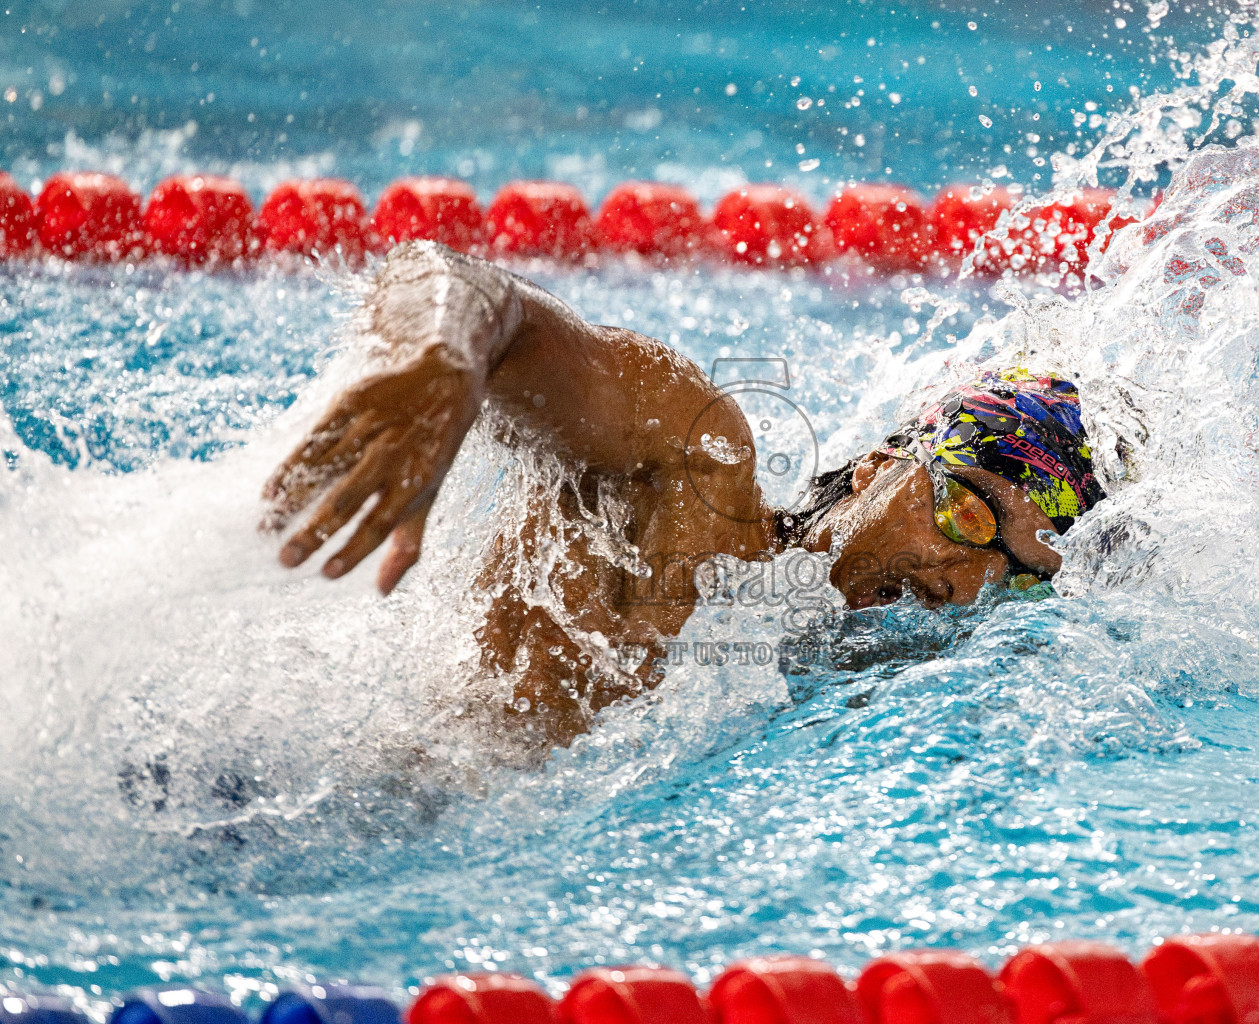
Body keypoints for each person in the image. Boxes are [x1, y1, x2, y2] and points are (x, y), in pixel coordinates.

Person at [262, 241, 1105, 745]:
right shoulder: (695, 472)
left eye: (1017, 572)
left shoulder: (839, 693)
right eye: (965, 510)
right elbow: (469, 288)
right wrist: (442, 361)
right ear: (881, 463)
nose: (962, 582)